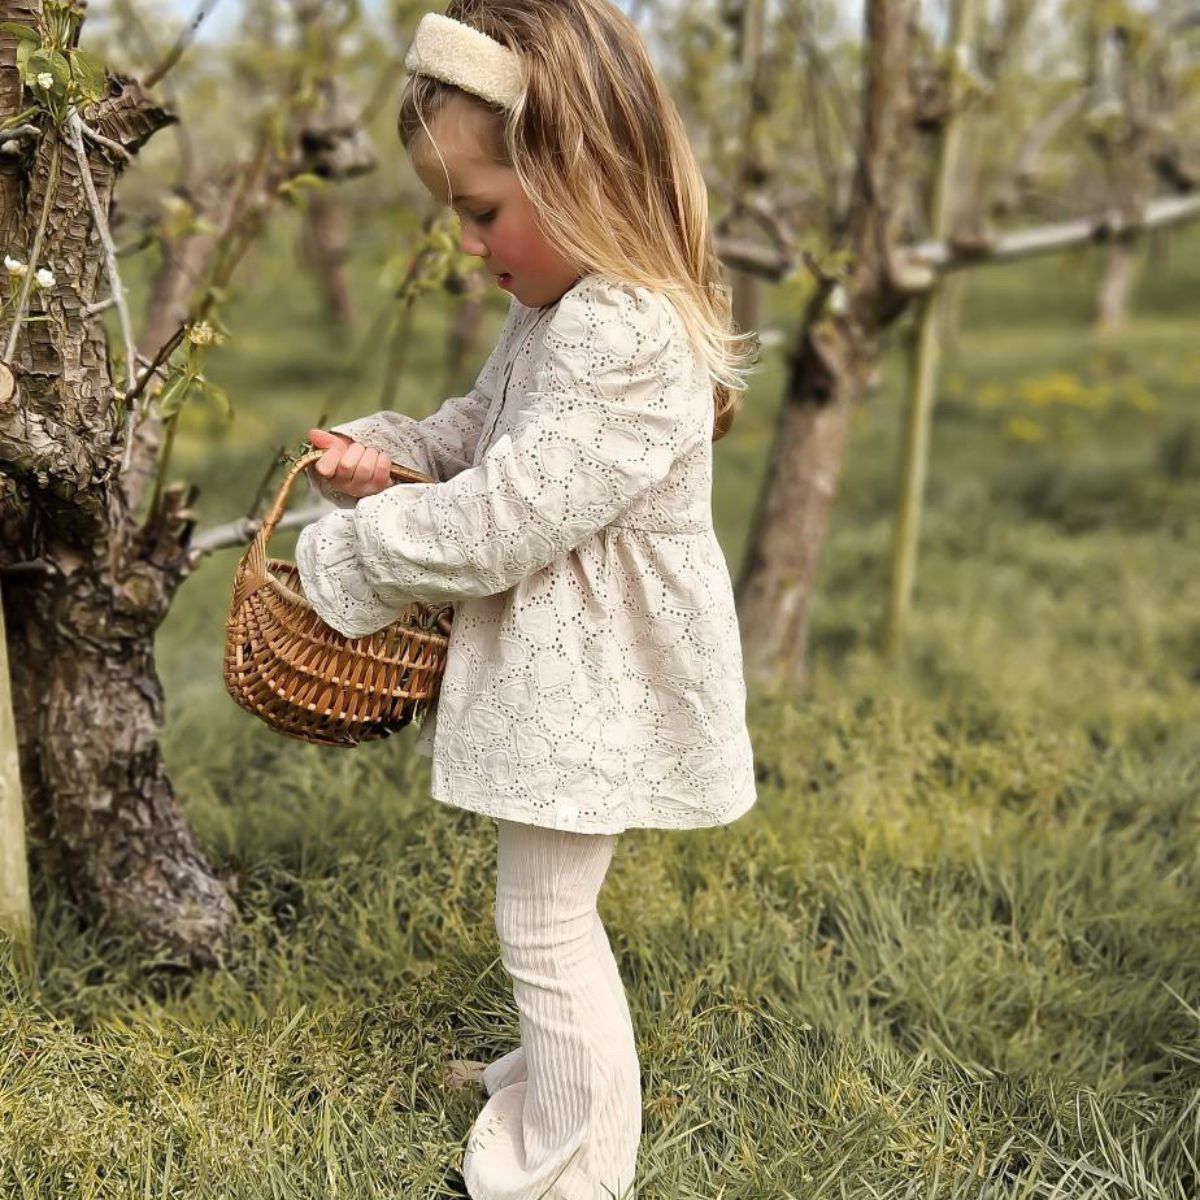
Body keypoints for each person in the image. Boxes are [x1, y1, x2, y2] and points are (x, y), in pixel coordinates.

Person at [294, 2, 760, 1196]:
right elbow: (482, 439)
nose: (470, 243)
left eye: (483, 209)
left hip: (598, 680)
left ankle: (576, 1168)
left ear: (582, 174)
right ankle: (551, 1077)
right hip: (563, 673)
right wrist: (387, 455)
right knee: (543, 912)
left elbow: (507, 519)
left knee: (547, 925)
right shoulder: (559, 309)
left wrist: (348, 556)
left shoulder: (628, 333)